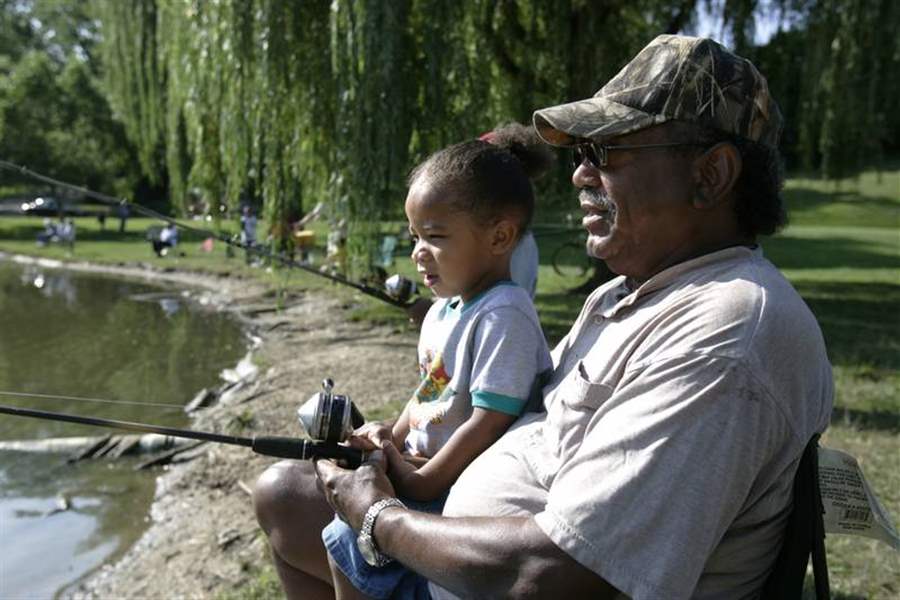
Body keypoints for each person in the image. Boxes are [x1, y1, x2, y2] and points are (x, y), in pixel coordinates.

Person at [253, 34, 833, 599]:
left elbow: (559, 574)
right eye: (581, 154)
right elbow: (517, 416)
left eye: (606, 151)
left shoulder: (724, 334)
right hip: (461, 550)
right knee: (284, 493)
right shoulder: (625, 297)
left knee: (317, 508)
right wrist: (396, 452)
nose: (579, 174)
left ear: (710, 175)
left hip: (493, 578)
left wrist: (378, 516)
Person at [319, 138, 553, 599]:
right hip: (426, 470)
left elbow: (491, 420)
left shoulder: (503, 314)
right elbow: (430, 391)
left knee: (350, 539)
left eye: (436, 236)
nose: (418, 252)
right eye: (414, 236)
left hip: (465, 488)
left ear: (499, 237)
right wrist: (393, 434)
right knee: (341, 531)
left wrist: (423, 480)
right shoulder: (445, 310)